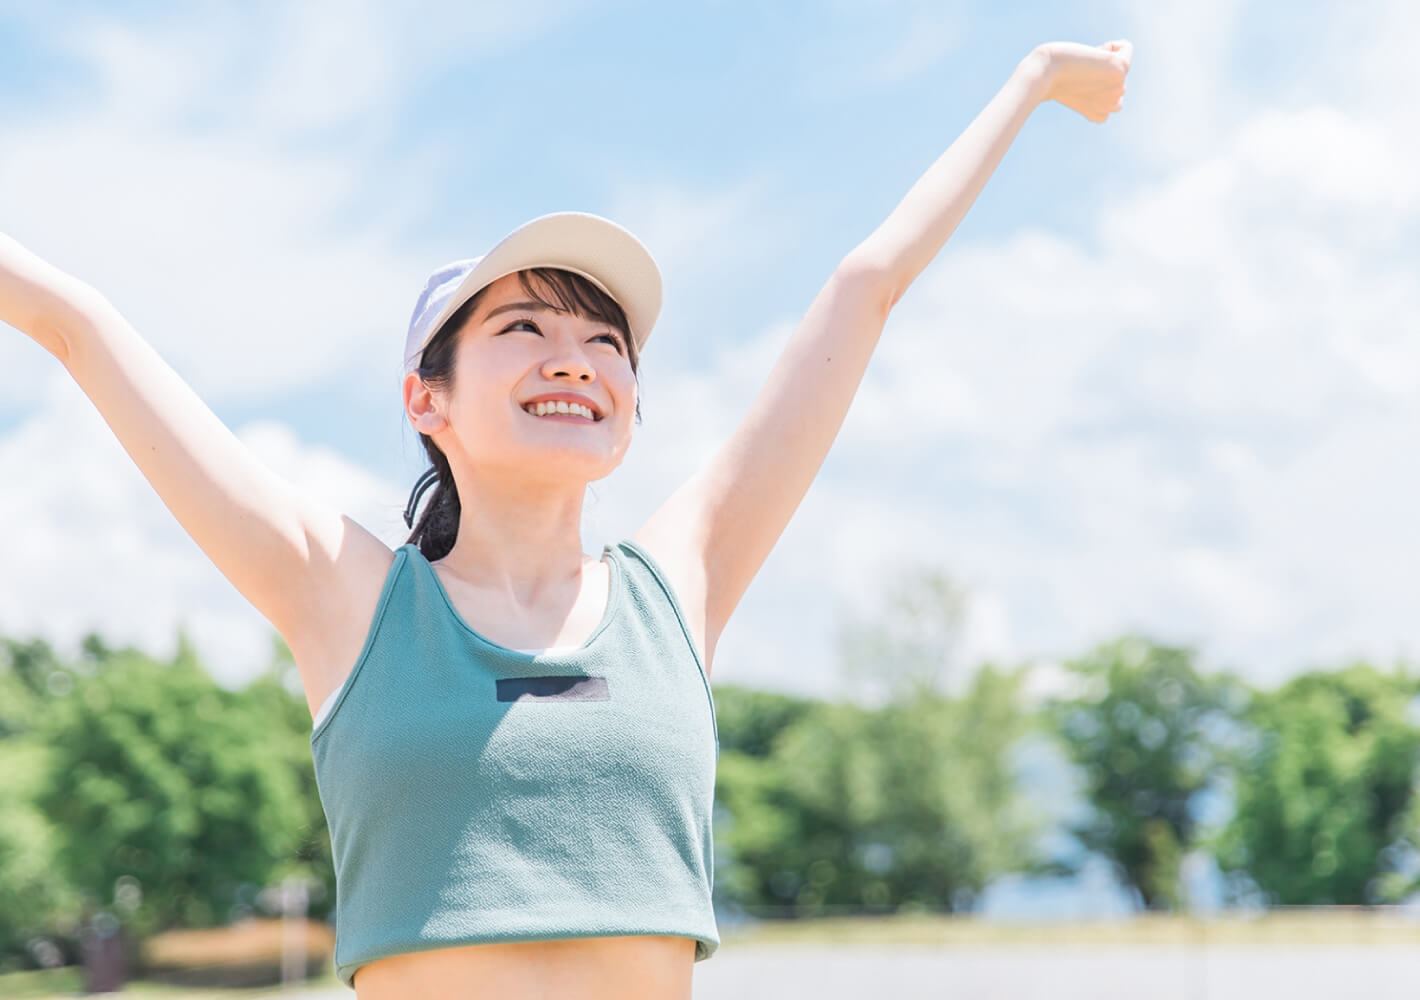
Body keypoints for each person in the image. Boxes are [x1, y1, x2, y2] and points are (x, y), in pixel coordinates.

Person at [1, 37, 1130, 1000]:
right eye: (525, 328)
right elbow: (73, 324)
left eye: (605, 344)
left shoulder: (679, 581)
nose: (573, 361)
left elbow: (863, 286)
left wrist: (1030, 82)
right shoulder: (344, 595)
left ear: (631, 409)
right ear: (424, 399)